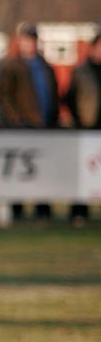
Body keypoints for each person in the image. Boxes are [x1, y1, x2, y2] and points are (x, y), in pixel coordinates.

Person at [0, 22, 59, 220]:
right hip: (22, 128)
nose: (30, 44)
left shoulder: (44, 66)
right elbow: (3, 95)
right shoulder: (13, 66)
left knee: (43, 170)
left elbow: (53, 94)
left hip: (43, 127)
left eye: (32, 40)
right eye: (26, 40)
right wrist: (16, 119)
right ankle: (17, 210)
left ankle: (43, 209)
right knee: (19, 172)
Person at [64, 33, 101, 225]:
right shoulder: (82, 72)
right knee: (83, 173)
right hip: (87, 130)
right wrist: (79, 121)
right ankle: (79, 212)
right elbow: (69, 98)